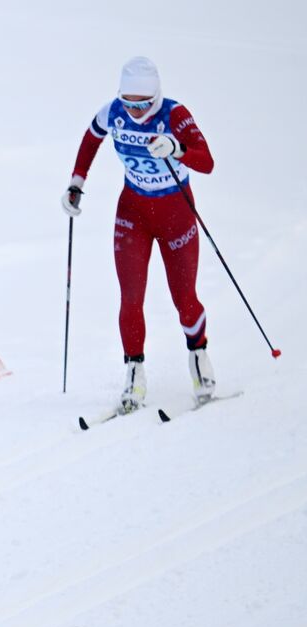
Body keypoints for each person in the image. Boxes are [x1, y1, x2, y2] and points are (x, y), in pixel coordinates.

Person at [61, 56, 217, 412]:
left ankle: (199, 358)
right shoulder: (113, 111)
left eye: (143, 104)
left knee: (185, 299)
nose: (135, 112)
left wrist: (177, 149)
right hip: (133, 213)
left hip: (176, 213)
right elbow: (91, 138)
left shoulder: (175, 116)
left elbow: (207, 161)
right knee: (130, 297)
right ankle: (134, 373)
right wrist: (76, 182)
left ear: (157, 97)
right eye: (129, 103)